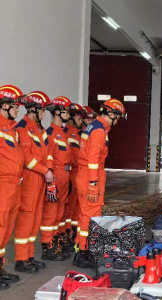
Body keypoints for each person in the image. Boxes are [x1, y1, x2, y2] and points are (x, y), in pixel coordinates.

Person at [74, 98, 126, 268]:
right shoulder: (99, 131)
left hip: (86, 175)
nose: (117, 121)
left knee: (85, 215)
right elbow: (93, 159)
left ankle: (81, 249)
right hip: (91, 176)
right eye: (117, 117)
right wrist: (93, 183)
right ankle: (83, 252)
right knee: (90, 217)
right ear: (110, 113)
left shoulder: (93, 127)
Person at [14, 91, 54, 274]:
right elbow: (27, 158)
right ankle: (21, 259)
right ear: (33, 109)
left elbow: (48, 153)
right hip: (30, 178)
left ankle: (29, 256)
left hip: (40, 178)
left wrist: (49, 169)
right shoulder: (21, 128)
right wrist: (45, 171)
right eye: (42, 110)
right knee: (26, 218)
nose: (44, 114)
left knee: (36, 218)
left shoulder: (39, 130)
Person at [40, 96, 72, 261]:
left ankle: (55, 240)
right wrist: (50, 179)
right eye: (66, 111)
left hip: (65, 175)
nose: (69, 115)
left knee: (60, 212)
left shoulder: (63, 133)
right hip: (55, 175)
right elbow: (47, 157)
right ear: (58, 112)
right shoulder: (50, 133)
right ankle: (47, 245)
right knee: (51, 212)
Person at [0, 85, 25, 290]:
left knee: (6, 230)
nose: (18, 110)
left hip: (13, 185)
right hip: (2, 184)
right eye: (15, 106)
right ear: (5, 105)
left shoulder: (11, 127)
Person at [59, 103, 85, 252]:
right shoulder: (65, 132)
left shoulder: (75, 133)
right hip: (67, 174)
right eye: (78, 116)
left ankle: (69, 233)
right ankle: (61, 235)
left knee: (72, 208)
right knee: (64, 209)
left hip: (75, 174)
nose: (80, 119)